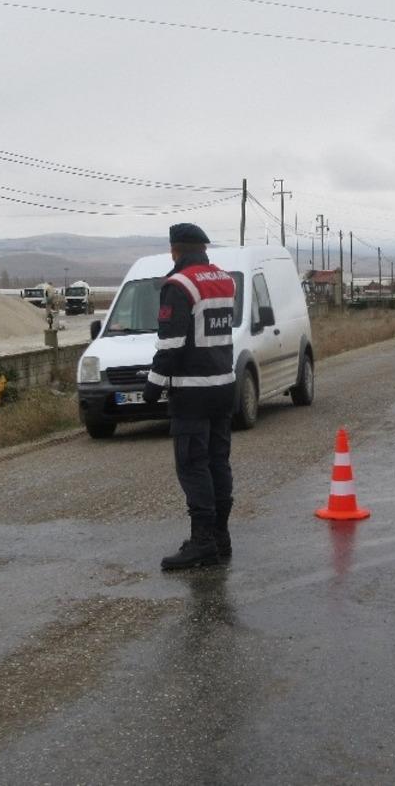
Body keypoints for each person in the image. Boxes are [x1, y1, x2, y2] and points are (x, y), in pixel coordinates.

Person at [143, 223, 237, 570]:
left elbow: (171, 344)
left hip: (193, 392)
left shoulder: (178, 285)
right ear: (203, 248)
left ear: (175, 250)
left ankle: (202, 543)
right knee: (217, 461)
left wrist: (152, 386)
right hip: (224, 385)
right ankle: (220, 537)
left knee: (193, 465)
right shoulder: (226, 280)